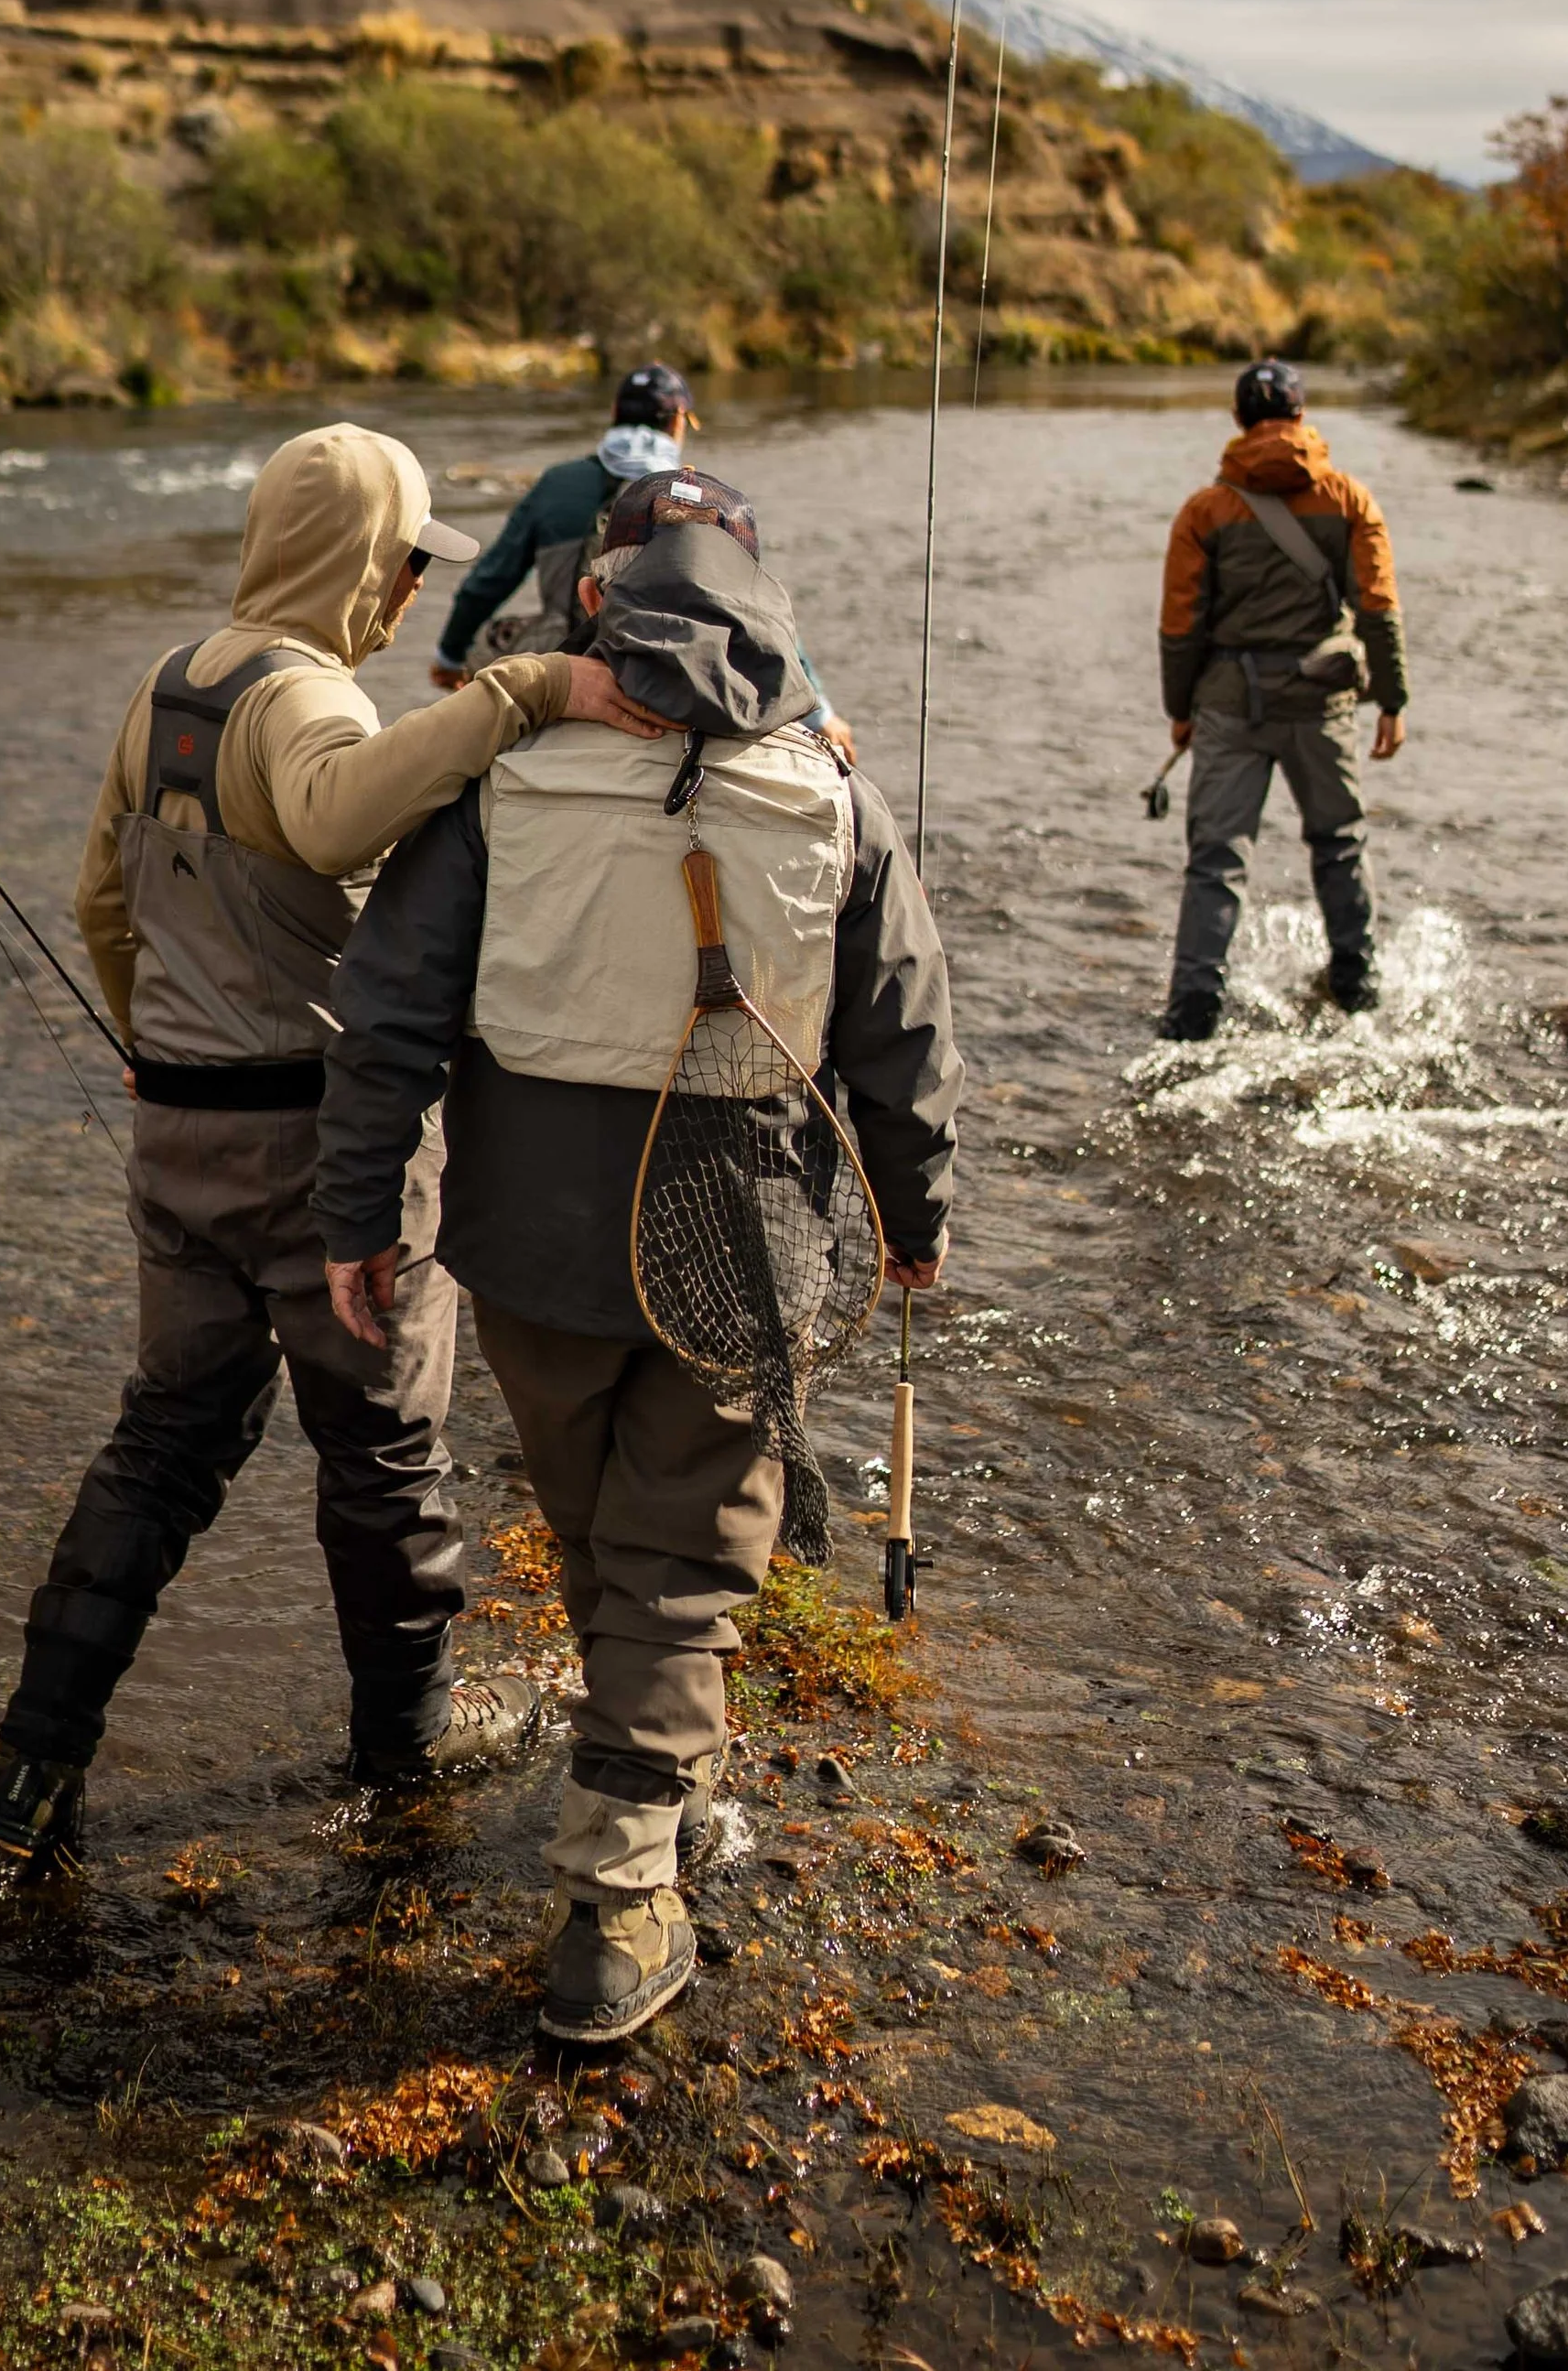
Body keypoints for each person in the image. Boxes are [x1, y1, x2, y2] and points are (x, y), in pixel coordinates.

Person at [0, 421, 667, 1888]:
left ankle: (29, 1771)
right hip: (327, 1154)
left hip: (178, 1135)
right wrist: (529, 688)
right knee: (385, 1458)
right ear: (354, 559)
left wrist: (154, 1045)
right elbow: (340, 810)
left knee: (164, 1443)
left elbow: (101, 901)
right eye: (406, 562)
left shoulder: (167, 682)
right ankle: (408, 1741)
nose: (412, 591)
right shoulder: (305, 699)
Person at [312, 468, 961, 2042]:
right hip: (740, 1243)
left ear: (596, 601)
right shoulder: (841, 794)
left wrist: (356, 1213)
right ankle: (617, 1898)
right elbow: (905, 1041)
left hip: (527, 1245)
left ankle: (647, 1778)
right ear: (766, 606)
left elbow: (388, 1012)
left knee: (608, 1523)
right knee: (682, 1551)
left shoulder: (501, 777)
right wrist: (914, 1217)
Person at [1156, 361, 1411, 1044]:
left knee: (1216, 863)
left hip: (1228, 707)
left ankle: (1190, 1022)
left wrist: (1180, 710)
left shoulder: (1205, 511)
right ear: (1300, 415)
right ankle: (1360, 1001)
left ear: (1239, 420)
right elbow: (1378, 607)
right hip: (1321, 706)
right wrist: (1391, 700)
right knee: (1340, 844)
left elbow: (1180, 626)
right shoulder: (1349, 498)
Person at [431, 363, 858, 759]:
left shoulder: (557, 484)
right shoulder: (706, 502)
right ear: (679, 421)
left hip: (560, 668)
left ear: (614, 413)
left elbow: (490, 580)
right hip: (675, 681)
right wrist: (820, 712)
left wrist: (450, 656)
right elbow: (756, 613)